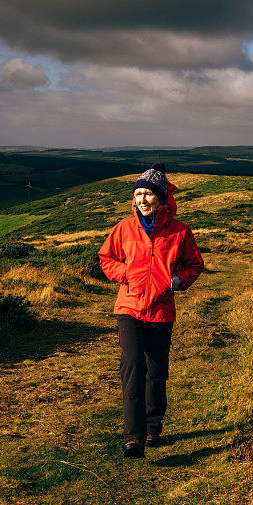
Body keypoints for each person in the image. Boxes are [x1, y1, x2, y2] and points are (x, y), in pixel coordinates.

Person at [98, 163, 204, 458]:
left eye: (148, 194)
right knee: (132, 367)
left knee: (156, 371)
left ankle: (153, 423)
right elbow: (106, 258)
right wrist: (126, 275)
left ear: (162, 198)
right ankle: (133, 436)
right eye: (138, 194)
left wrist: (177, 280)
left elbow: (195, 264)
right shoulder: (123, 229)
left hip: (160, 311)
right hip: (129, 307)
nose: (141, 200)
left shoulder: (180, 232)